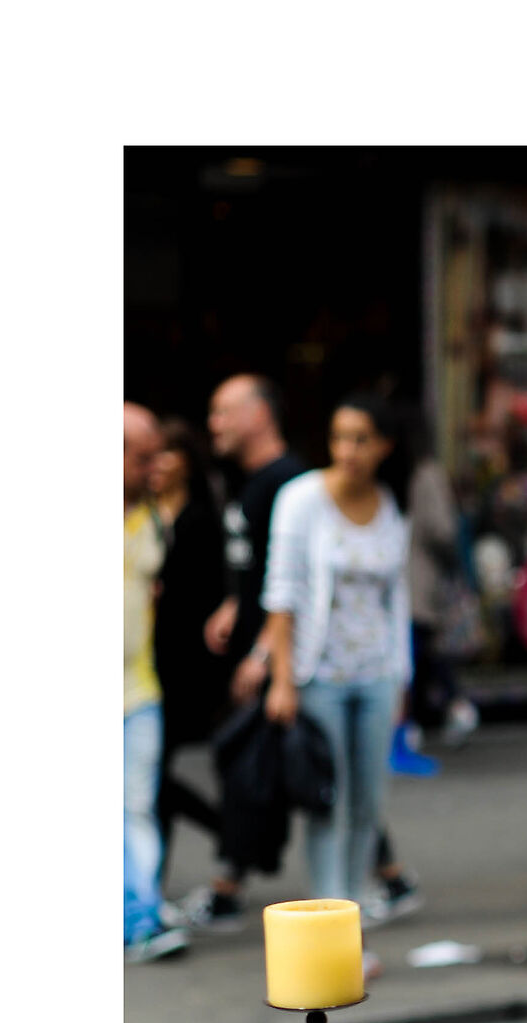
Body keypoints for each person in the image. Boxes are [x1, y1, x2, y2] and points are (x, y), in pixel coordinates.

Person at [260, 395, 415, 913]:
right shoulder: (301, 499)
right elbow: (281, 595)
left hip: (376, 674)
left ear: (385, 446)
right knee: (330, 799)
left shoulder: (391, 504)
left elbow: (397, 599)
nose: (348, 450)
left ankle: (357, 901)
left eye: (361, 439)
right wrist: (282, 680)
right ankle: (330, 908)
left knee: (370, 800)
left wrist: (401, 678)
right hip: (319, 674)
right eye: (339, 437)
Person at [185, 374, 312, 930]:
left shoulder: (292, 484)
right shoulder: (253, 483)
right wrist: (234, 605)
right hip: (257, 655)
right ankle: (388, 870)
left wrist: (264, 656)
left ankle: (226, 885)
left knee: (258, 769)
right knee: (278, 769)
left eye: (222, 411)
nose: (213, 424)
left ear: (259, 414)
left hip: (282, 662)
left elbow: (294, 583)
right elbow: (258, 570)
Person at [148, 415, 230, 887]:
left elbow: (210, 588)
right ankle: (154, 878)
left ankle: (153, 882)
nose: (157, 465)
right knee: (151, 774)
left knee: (153, 771)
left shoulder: (200, 519)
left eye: (167, 454)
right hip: (145, 660)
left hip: (185, 663)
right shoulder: (137, 515)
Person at [124, 404, 187, 963]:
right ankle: (140, 915)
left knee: (136, 808)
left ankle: (141, 914)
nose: (156, 467)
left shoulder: (152, 517)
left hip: (139, 690)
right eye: (144, 457)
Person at [395, 427, 480, 777]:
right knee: (419, 654)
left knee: (412, 656)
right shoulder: (426, 474)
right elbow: (443, 530)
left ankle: (413, 726)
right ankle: (452, 708)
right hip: (419, 579)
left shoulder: (394, 475)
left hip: (404, 583)